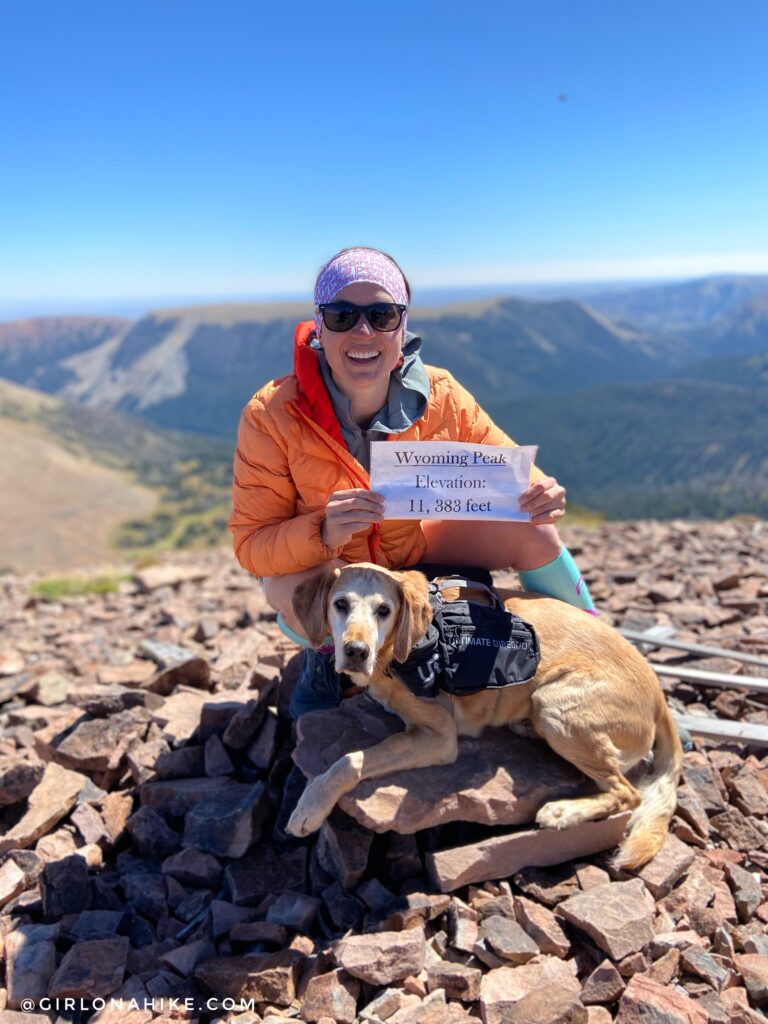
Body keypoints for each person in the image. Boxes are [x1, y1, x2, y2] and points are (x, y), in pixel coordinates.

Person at [229, 247, 595, 719]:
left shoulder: (440, 393)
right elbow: (252, 543)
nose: (363, 331)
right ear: (318, 326)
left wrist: (541, 491)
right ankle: (325, 657)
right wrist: (323, 532)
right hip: (330, 567)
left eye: (382, 315)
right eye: (342, 316)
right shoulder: (272, 413)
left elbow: (505, 465)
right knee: (290, 587)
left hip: (412, 550)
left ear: (402, 327)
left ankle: (592, 645)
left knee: (534, 527)